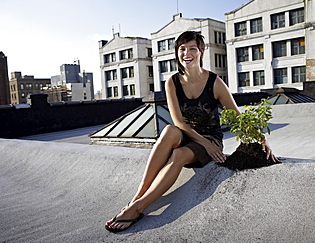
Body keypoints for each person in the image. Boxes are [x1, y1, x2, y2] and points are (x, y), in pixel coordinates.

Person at [105, 31, 278, 232]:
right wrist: (202, 143)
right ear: (177, 53)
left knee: (178, 154)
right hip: (185, 133)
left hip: (210, 139)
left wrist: (261, 139)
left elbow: (238, 116)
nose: (187, 53)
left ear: (201, 52)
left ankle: (137, 208)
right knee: (169, 129)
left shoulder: (214, 82)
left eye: (192, 49)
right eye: (182, 49)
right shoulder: (173, 82)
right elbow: (178, 121)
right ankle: (139, 194)